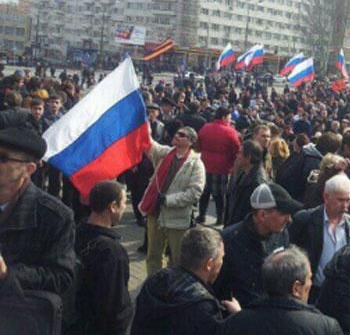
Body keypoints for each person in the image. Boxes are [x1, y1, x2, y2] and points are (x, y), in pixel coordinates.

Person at [0, 126, 74, 295]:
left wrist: (7, 273)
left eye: (2, 158)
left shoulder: (55, 216)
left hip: (15, 314)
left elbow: (61, 277)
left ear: (29, 169)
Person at [132, 226, 240, 335]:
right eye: (221, 258)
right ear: (209, 264)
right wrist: (238, 318)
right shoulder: (205, 308)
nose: (222, 262)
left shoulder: (155, 280)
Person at [214, 183, 302, 307]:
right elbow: (218, 289)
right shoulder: (228, 240)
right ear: (262, 215)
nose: (289, 219)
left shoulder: (282, 234)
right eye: (284, 214)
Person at [221, 246, 343, 335]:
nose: (310, 284)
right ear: (296, 288)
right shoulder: (325, 328)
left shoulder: (237, 323)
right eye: (309, 278)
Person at [139, 126, 206, 275]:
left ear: (190, 142)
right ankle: (154, 285)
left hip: (177, 219)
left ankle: (174, 288)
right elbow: (150, 145)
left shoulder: (196, 164)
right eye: (177, 132)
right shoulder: (166, 153)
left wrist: (168, 200)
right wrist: (144, 125)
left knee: (176, 258)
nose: (176, 135)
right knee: (153, 256)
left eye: (181, 135)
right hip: (155, 213)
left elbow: (194, 193)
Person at [289, 174, 350, 302]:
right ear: (326, 197)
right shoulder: (305, 220)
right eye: (340, 200)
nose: (345, 205)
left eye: (348, 200)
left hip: (340, 295)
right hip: (310, 293)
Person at [73, 180, 132, 335]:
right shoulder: (113, 252)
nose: (125, 207)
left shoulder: (74, 233)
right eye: (124, 202)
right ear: (113, 206)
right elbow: (115, 308)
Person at [197, 107, 241, 224]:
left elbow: (198, 144)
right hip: (222, 167)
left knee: (204, 192)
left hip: (205, 165)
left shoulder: (205, 127)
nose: (230, 121)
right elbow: (236, 149)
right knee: (220, 196)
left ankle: (201, 215)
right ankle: (220, 218)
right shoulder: (230, 132)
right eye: (229, 118)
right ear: (224, 117)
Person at [223, 140, 266, 226]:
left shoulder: (257, 182)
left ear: (248, 157)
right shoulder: (244, 173)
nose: (237, 156)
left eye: (240, 153)